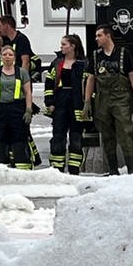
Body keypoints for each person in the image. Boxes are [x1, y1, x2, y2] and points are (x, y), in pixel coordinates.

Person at [84, 24, 133, 175]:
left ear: (108, 36)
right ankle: (113, 170)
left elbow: (132, 75)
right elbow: (91, 79)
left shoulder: (123, 53)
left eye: (99, 35)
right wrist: (87, 102)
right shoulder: (96, 55)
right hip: (102, 99)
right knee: (107, 135)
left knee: (125, 132)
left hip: (121, 98)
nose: (96, 38)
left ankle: (130, 170)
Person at [0, 45, 36, 169]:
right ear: (1, 57)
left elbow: (28, 92)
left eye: (10, 55)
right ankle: (1, 169)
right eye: (5, 54)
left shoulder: (22, 73)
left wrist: (28, 109)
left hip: (17, 110)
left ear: (14, 58)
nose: (7, 57)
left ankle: (21, 169)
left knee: (19, 139)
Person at [45, 33, 88, 175]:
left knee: (76, 137)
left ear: (73, 46)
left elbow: (89, 84)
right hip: (60, 102)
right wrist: (50, 102)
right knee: (58, 136)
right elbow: (49, 83)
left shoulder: (83, 64)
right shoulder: (57, 63)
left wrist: (87, 104)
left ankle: (74, 169)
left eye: (64, 44)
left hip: (77, 104)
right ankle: (57, 168)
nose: (61, 47)